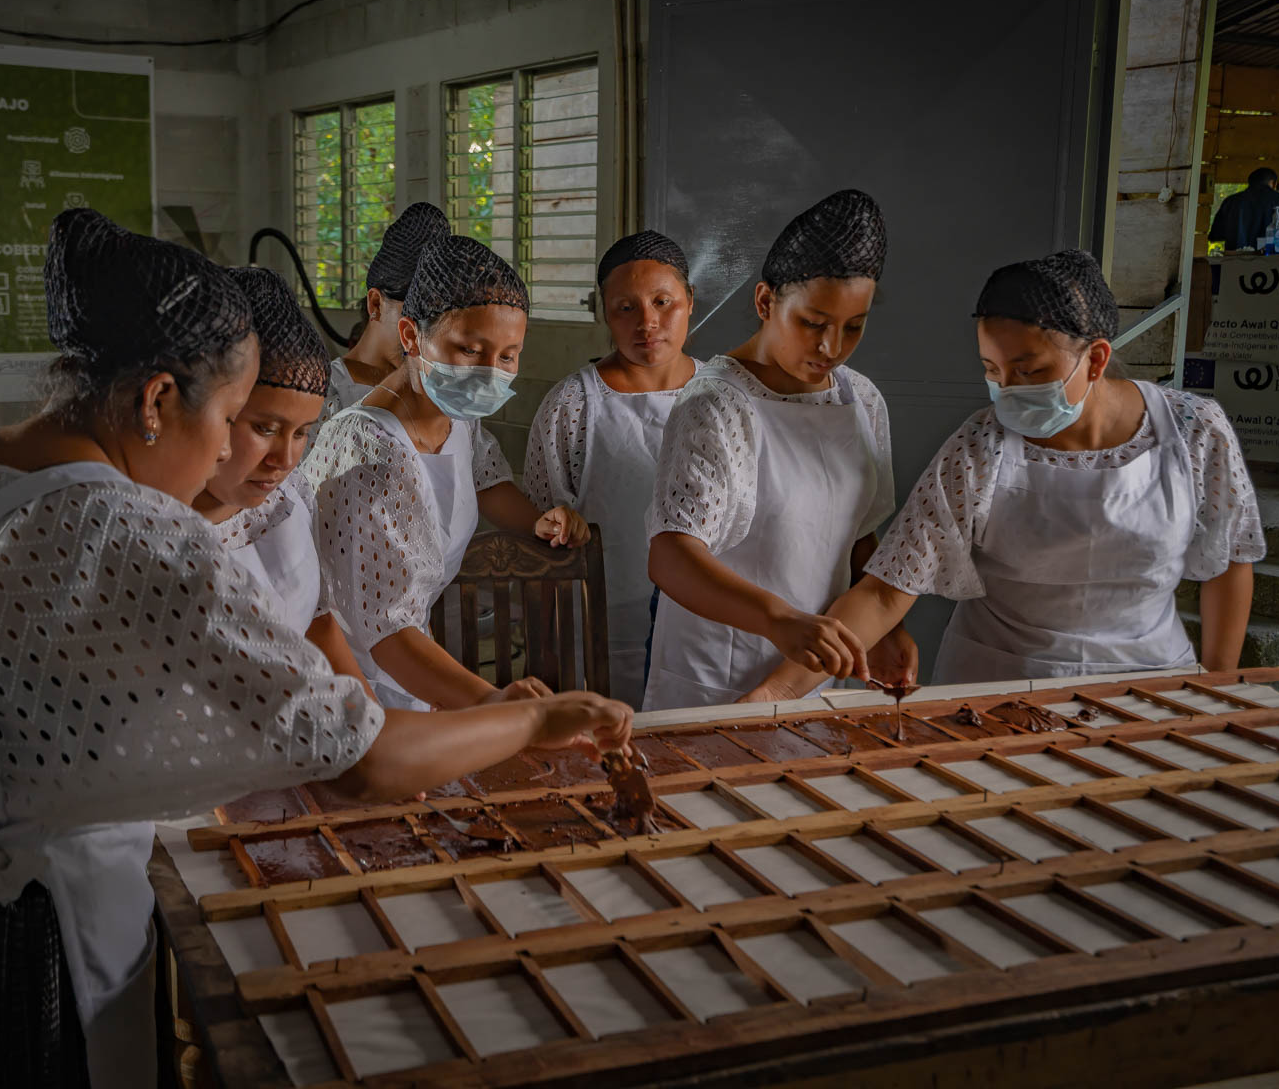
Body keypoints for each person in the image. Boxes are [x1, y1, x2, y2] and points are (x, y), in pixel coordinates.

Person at [0, 210, 631, 1088]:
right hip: (12, 960)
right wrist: (535, 720)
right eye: (229, 419)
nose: (232, 451)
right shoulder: (130, 529)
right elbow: (360, 762)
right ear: (154, 402)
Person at [756, 249, 1262, 696]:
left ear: (1096, 358)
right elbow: (887, 591)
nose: (1008, 389)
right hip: (996, 691)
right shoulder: (981, 447)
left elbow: (1230, 561)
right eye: (993, 370)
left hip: (1149, 687)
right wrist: (774, 693)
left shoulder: (1193, 430)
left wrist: (1216, 687)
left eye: (1031, 371)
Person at [644, 189, 910, 710]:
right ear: (766, 302)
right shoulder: (718, 404)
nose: (831, 347)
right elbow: (671, 556)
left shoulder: (861, 400)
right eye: (813, 324)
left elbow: (857, 536)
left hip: (812, 675)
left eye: (853, 327)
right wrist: (777, 618)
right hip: (716, 679)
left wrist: (881, 628)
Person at [305, 233, 592, 712]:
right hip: (346, 684)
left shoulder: (455, 422)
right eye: (469, 350)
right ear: (411, 335)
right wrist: (495, 703)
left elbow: (408, 611)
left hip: (413, 671)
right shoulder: (363, 446)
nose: (489, 372)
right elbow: (385, 631)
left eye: (507, 355)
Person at [524, 231, 698, 706]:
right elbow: (542, 528)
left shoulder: (724, 397)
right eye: (626, 308)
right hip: (600, 626)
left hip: (701, 622)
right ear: (605, 314)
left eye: (663, 302)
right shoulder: (573, 405)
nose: (648, 322)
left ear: (690, 301)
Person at [192, 265, 372, 695]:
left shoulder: (288, 499)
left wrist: (373, 724)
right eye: (265, 429)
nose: (285, 460)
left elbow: (320, 627)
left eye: (301, 432)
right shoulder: (153, 527)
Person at [324, 202, 451, 417]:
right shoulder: (326, 393)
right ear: (375, 303)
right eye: (415, 313)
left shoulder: (441, 393)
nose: (424, 332)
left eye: (438, 317)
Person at [1208, 167, 1279, 252]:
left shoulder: (1230, 202)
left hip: (1234, 262)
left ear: (1250, 183)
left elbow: (1215, 235)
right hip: (1268, 261)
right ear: (1274, 183)